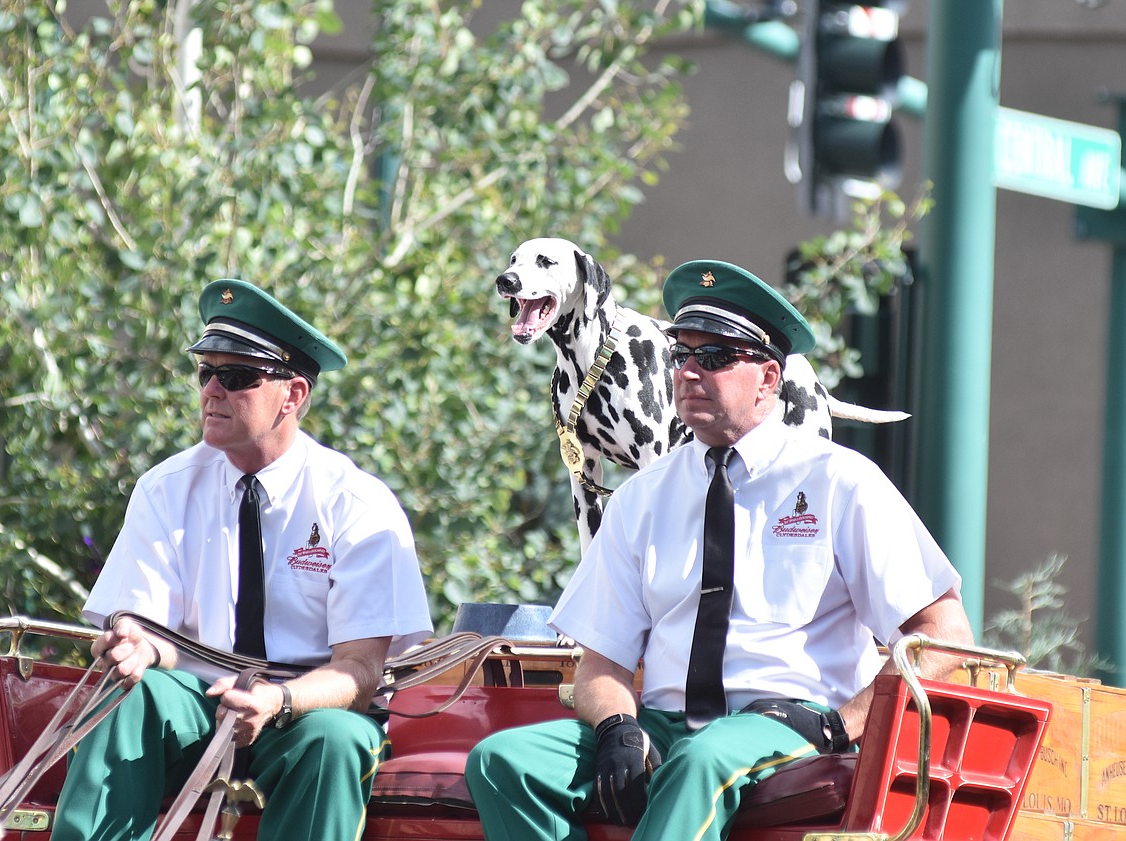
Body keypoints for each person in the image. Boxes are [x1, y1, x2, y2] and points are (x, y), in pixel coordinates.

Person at [465, 259, 974, 841]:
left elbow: (944, 633)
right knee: (504, 761)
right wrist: (616, 728)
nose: (687, 373)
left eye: (714, 358)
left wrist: (846, 722)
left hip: (786, 719)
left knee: (699, 762)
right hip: (664, 722)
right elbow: (600, 663)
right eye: (680, 355)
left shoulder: (840, 481)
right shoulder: (642, 497)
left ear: (769, 378)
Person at [50, 279, 433, 841]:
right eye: (205, 372)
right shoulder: (164, 488)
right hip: (196, 705)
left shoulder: (358, 504)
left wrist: (277, 701)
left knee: (337, 738)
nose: (211, 392)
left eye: (236, 378)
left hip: (302, 712)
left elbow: (361, 671)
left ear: (293, 394)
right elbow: (145, 627)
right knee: (131, 695)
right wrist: (132, 645)